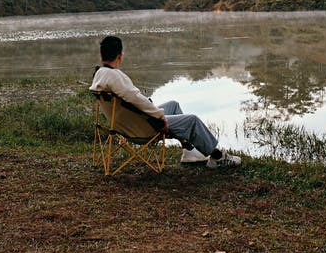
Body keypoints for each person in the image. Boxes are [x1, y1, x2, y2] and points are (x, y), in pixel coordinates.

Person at [90, 35, 241, 169]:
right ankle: (217, 157)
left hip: (124, 123)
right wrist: (160, 116)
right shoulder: (115, 76)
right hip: (141, 128)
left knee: (173, 105)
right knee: (192, 120)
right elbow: (136, 99)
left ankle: (189, 151)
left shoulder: (100, 74)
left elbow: (133, 102)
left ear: (102, 54)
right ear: (120, 56)